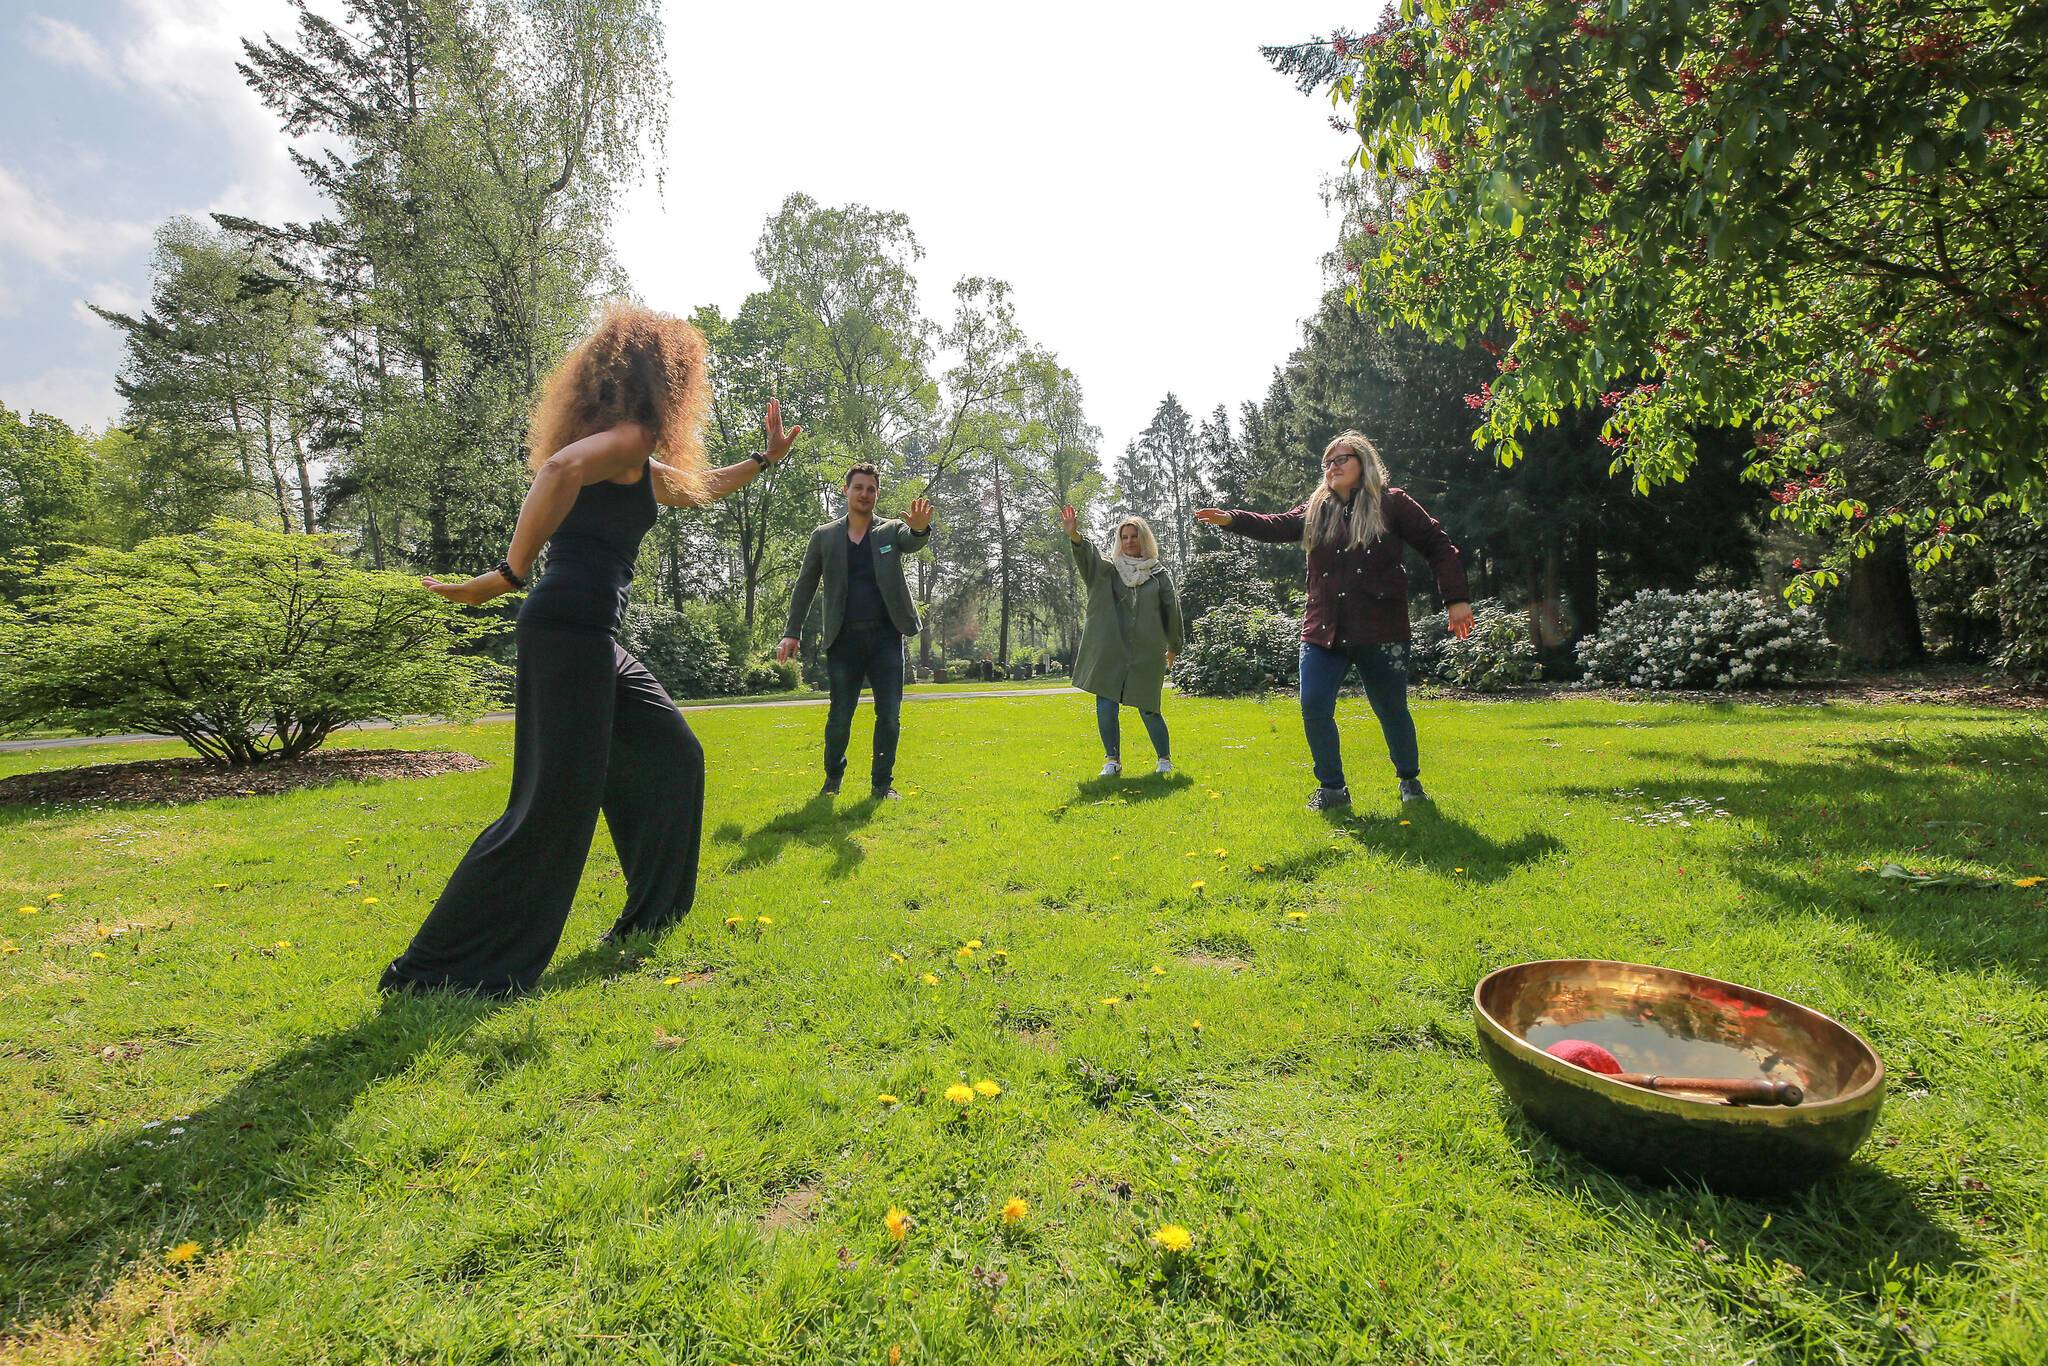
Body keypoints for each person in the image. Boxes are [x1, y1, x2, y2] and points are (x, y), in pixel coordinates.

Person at [379, 304, 801, 997]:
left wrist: (763, 458)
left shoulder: (629, 451)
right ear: (664, 380)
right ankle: (434, 971)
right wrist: (506, 576)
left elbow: (700, 488)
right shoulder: (624, 442)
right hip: (567, 630)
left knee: (672, 754)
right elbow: (555, 473)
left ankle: (650, 918)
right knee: (548, 809)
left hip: (588, 637)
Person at [1195, 429, 1472, 811]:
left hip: (1380, 629)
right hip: (1323, 630)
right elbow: (1277, 524)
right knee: (1313, 704)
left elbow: (1439, 545)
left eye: (1341, 459)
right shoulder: (1316, 508)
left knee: (1391, 709)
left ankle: (1409, 780)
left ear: (1364, 463)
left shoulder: (1392, 504)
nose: (1332, 466)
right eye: (1328, 461)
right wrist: (1232, 519)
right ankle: (1332, 789)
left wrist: (1455, 599)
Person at [776, 467, 933, 801]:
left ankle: (881, 785)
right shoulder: (825, 536)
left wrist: (919, 530)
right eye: (858, 488)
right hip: (844, 640)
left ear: (877, 494)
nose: (865, 494)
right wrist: (792, 631)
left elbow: (910, 538)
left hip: (886, 639)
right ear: (846, 491)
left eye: (871, 489)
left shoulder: (889, 531)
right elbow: (805, 585)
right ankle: (833, 779)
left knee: (889, 715)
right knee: (839, 716)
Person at [1062, 505, 1182, 777]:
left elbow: (1171, 612)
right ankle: (1112, 761)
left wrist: (1173, 645)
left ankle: (1164, 759)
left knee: (1149, 706)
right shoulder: (1108, 571)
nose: (1129, 541)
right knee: (1105, 704)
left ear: (1144, 539)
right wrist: (1075, 536)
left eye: (1134, 536)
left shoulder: (1158, 575)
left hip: (1146, 651)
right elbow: (1089, 558)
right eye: (1124, 536)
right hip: (1111, 649)